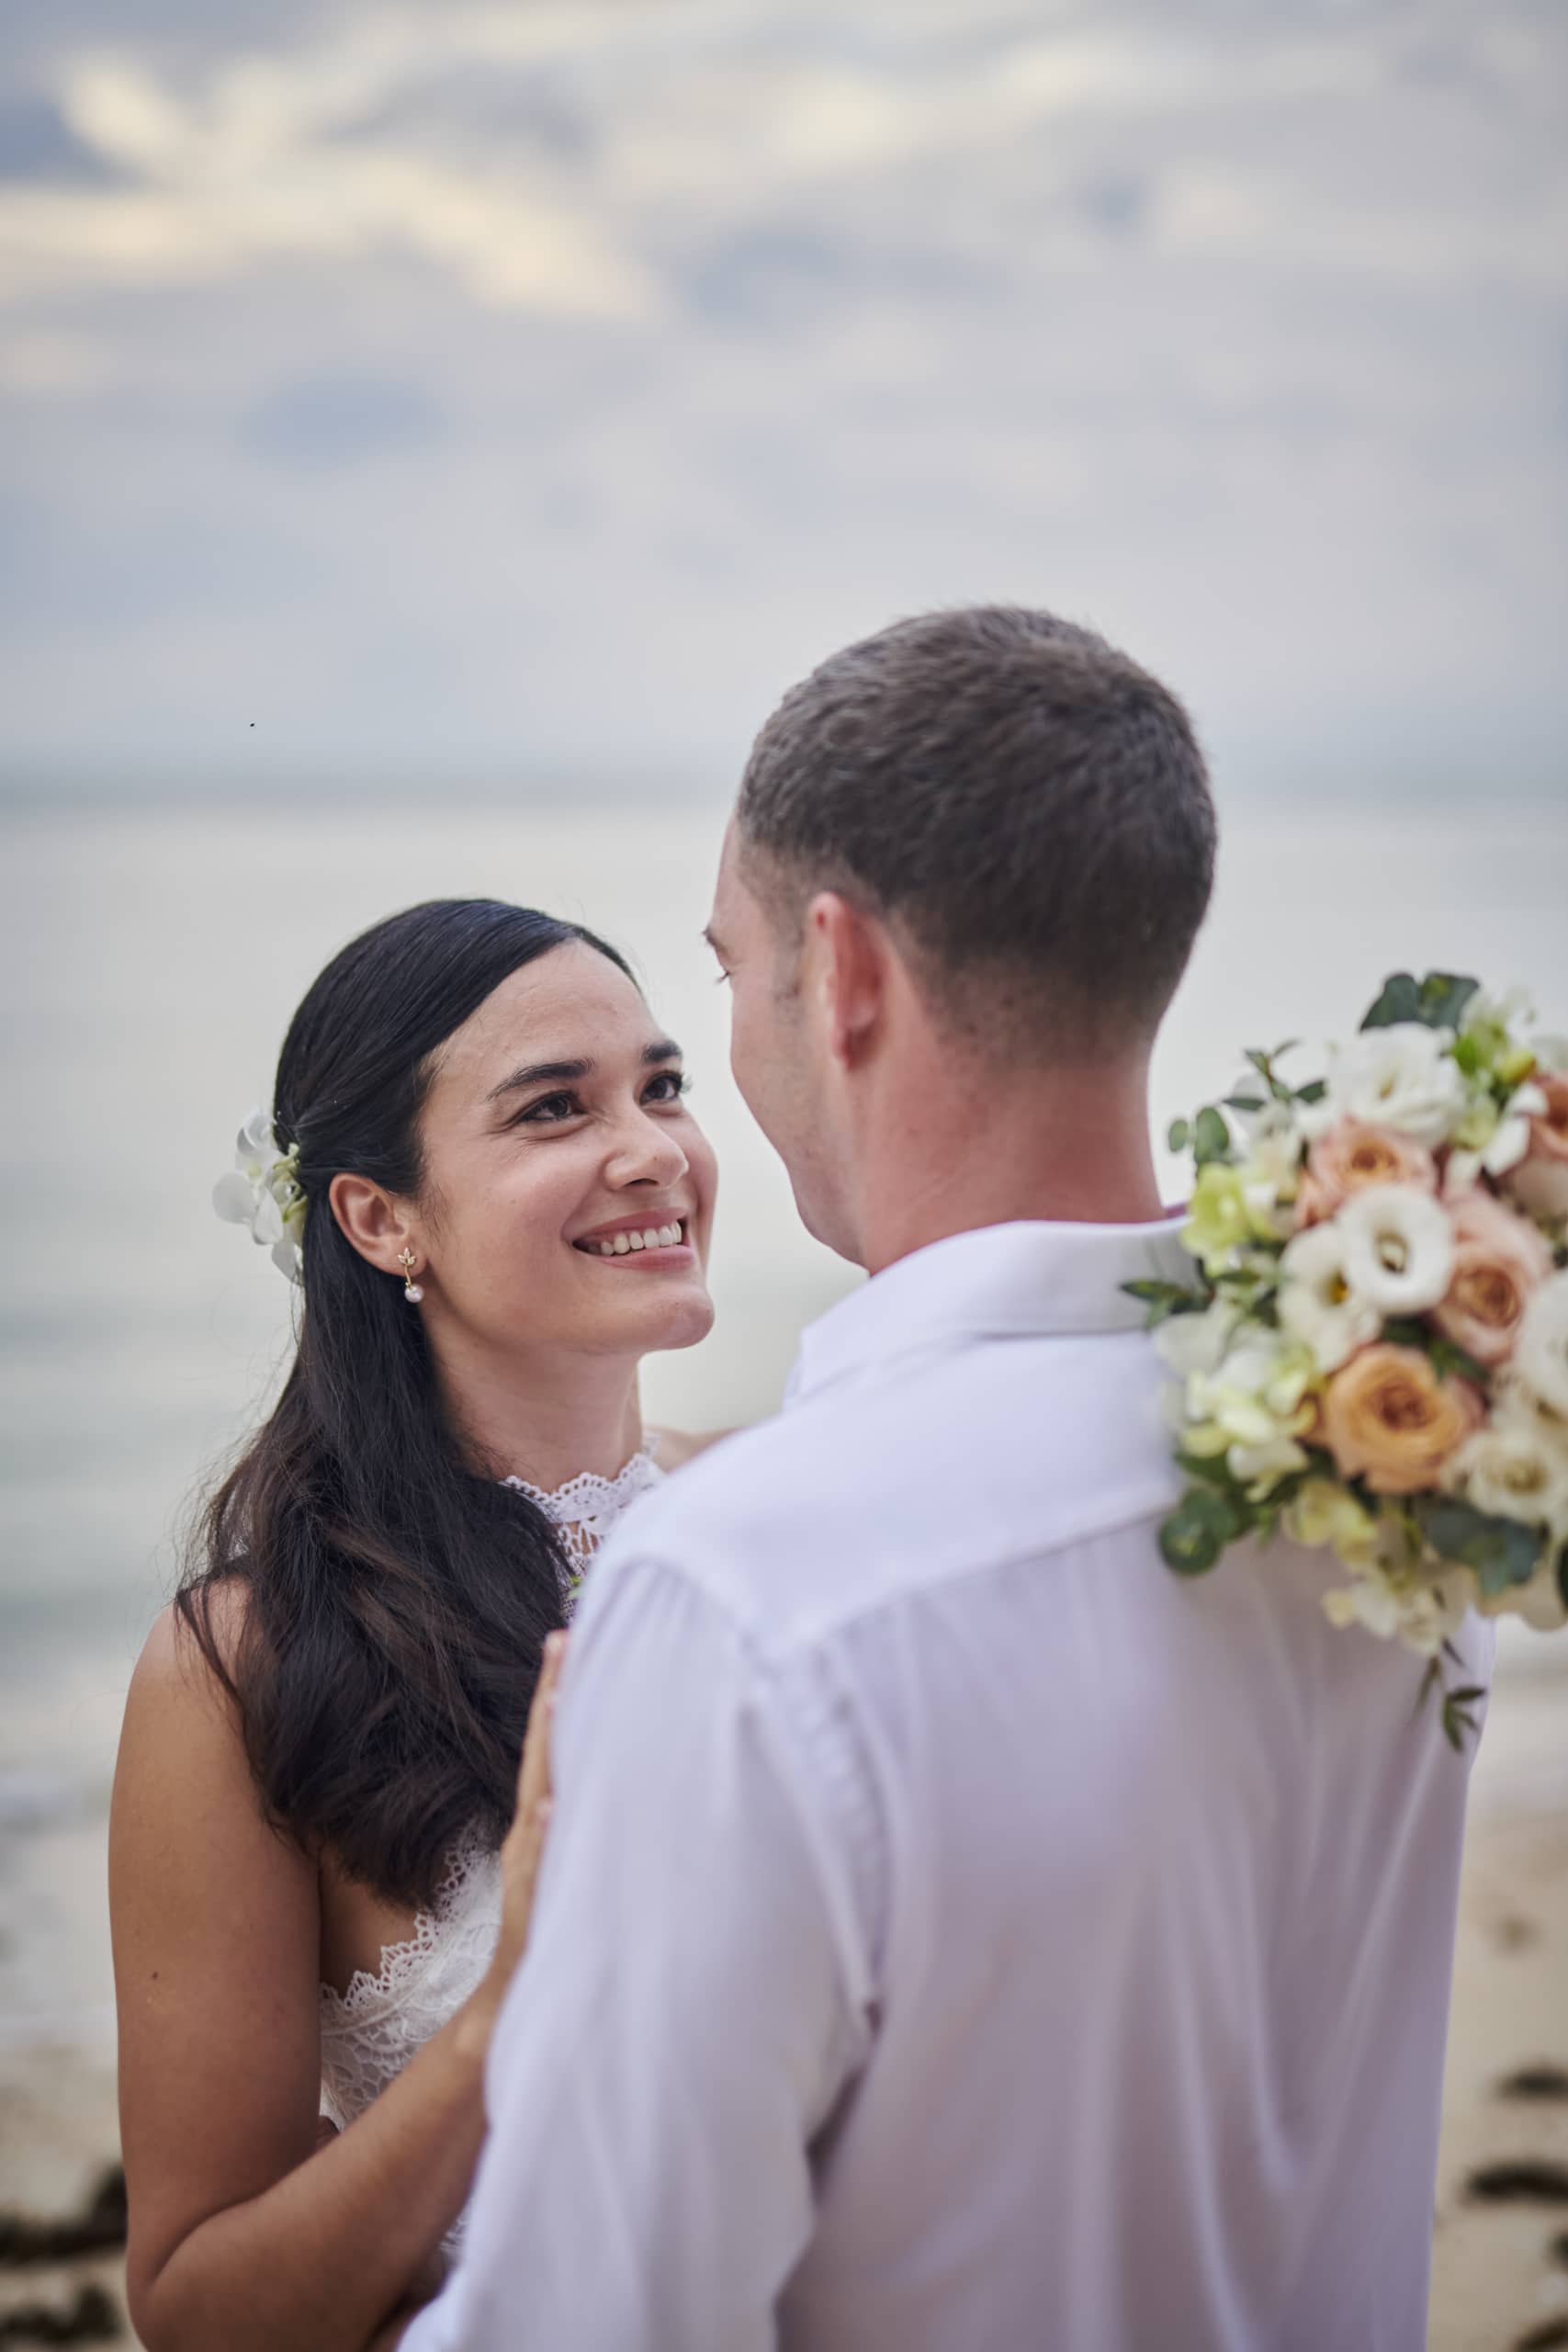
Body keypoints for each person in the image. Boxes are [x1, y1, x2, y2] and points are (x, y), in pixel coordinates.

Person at [395, 607, 1490, 2352]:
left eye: (734, 974)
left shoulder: (748, 1590)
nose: (727, 1063)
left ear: (840, 977)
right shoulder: (1382, 1478)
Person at [108, 898, 721, 2352]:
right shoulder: (244, 1666)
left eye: (663, 1086)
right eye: (554, 1110)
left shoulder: (773, 1515)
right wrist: (517, 2003)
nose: (653, 1151)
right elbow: (200, 2308)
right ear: (381, 1217)